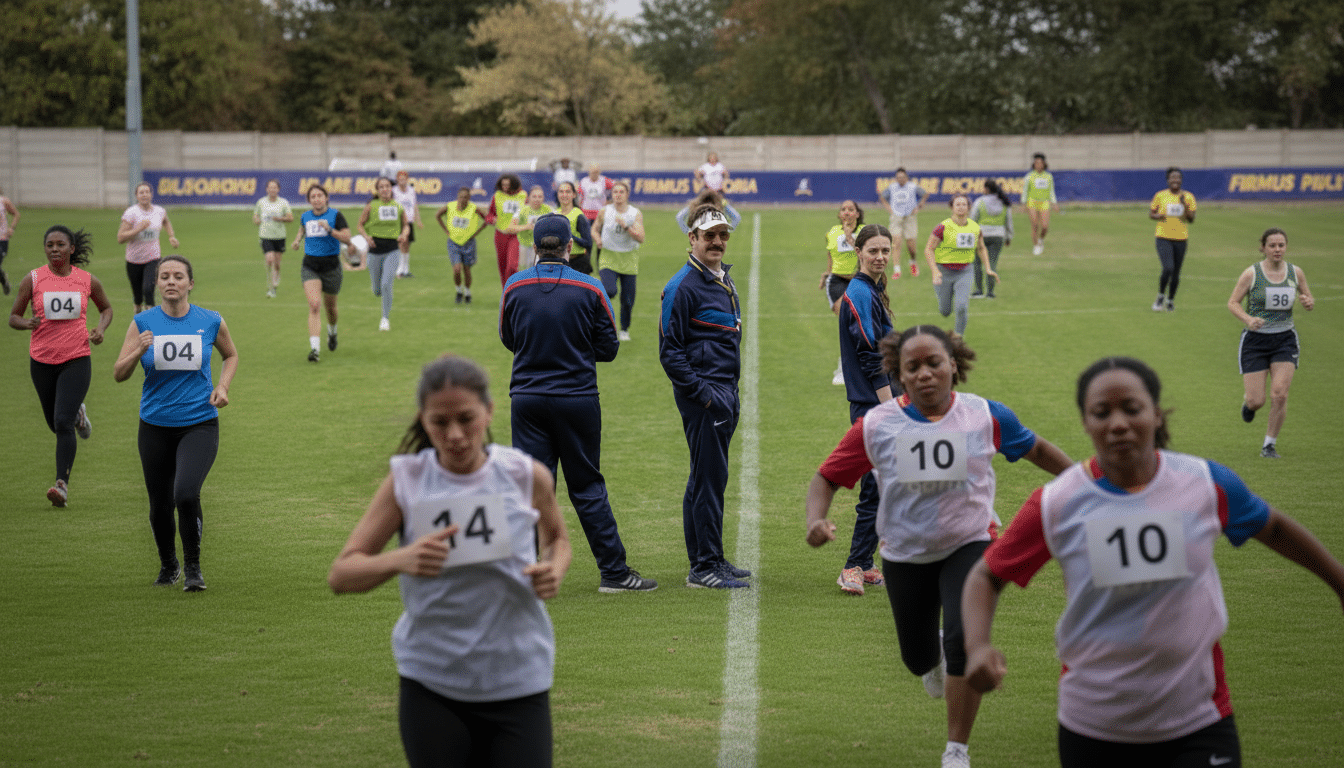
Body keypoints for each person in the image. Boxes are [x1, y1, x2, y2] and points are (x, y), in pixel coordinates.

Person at [962, 356, 1344, 768]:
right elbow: (987, 574)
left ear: (1156, 414)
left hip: (1199, 720)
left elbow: (1276, 529)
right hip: (1093, 725)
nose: (1118, 423)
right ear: (1085, 422)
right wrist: (977, 646)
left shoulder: (1204, 484)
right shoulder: (1057, 503)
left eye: (1132, 408)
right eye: (1101, 412)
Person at [805, 325, 1072, 768]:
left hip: (971, 542)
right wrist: (816, 519)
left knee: (964, 642)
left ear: (954, 365)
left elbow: (1037, 449)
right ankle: (930, 660)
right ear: (899, 375)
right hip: (905, 554)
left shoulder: (984, 415)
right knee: (917, 658)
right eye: (913, 367)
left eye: (934, 363)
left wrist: (1087, 486)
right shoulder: (877, 425)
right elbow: (827, 476)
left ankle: (956, 749)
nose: (926, 374)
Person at [328, 354, 572, 768]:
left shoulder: (525, 475)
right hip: (432, 682)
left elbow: (559, 539)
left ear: (489, 412)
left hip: (519, 677)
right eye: (440, 423)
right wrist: (401, 559)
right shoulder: (407, 479)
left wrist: (554, 568)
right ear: (423, 419)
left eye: (466, 418)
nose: (455, 435)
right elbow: (342, 573)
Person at [500, 214, 657, 594]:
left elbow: (509, 338)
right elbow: (608, 348)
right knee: (587, 485)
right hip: (576, 398)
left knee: (533, 488)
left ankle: (524, 572)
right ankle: (614, 573)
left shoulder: (515, 285)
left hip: (527, 397)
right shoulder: (590, 287)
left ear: (534, 248)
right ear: (571, 246)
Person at [112, 255, 238, 592]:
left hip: (199, 423)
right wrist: (137, 350)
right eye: (164, 276)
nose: (171, 281)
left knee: (185, 493)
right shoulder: (142, 322)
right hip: (154, 425)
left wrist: (222, 386)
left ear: (190, 283)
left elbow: (231, 355)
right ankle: (169, 566)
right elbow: (118, 373)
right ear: (156, 283)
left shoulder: (210, 321)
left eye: (178, 276)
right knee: (159, 504)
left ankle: (194, 567)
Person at [660, 205, 750, 589]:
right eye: (709, 235)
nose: (717, 241)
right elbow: (670, 351)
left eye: (723, 235)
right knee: (710, 481)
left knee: (704, 479)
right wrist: (706, 395)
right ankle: (705, 567)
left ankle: (707, 558)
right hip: (707, 399)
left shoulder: (719, 278)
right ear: (692, 238)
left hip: (723, 393)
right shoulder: (682, 286)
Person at [8, 225, 113, 507]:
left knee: (61, 422)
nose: (55, 249)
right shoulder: (32, 279)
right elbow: (13, 317)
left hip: (77, 358)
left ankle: (61, 485)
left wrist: (100, 329)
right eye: (50, 245)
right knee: (54, 423)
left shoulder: (87, 280)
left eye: (60, 245)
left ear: (71, 249)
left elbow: (106, 308)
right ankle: (79, 414)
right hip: (41, 360)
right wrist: (26, 323)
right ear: (45, 248)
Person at [832, 224, 896, 596]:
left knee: (883, 484)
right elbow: (870, 356)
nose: (880, 257)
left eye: (885, 251)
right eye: (873, 250)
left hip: (882, 399)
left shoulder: (874, 288)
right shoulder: (858, 292)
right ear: (858, 252)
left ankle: (867, 562)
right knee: (874, 484)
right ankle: (854, 565)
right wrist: (891, 407)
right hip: (872, 404)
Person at [1226, 227, 1314, 459]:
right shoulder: (1251, 274)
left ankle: (1269, 445)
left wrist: (1308, 301)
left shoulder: (1296, 272)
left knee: (1280, 394)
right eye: (1272, 245)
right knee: (1257, 401)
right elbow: (1233, 302)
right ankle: (1249, 405)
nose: (1277, 249)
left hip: (1285, 339)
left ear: (1286, 247)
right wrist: (1248, 319)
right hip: (1255, 341)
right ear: (1263, 248)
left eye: (1281, 245)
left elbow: (1307, 297)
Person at [291, 184, 353, 362]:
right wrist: (296, 241)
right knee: (314, 305)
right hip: (310, 265)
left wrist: (330, 230)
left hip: (332, 266)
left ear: (326, 198)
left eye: (320, 195)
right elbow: (302, 229)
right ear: (309, 200)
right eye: (313, 197)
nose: (316, 199)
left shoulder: (335, 215)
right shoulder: (305, 216)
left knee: (331, 308)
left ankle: (332, 332)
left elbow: (347, 238)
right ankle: (315, 349)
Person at [924, 194, 997, 337]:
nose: (961, 207)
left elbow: (981, 248)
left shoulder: (975, 228)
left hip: (965, 271)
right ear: (952, 207)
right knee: (945, 311)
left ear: (969, 208)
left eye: (964, 204)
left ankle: (958, 337)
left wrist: (988, 268)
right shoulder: (942, 227)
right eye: (958, 204)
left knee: (962, 306)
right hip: (943, 272)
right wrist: (934, 271)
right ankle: (945, 301)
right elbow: (929, 249)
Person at [819, 200, 865, 386]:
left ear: (857, 214)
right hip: (837, 281)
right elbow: (831, 256)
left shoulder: (865, 232)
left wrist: (850, 238)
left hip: (859, 281)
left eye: (851, 209)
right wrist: (826, 273)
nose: (846, 212)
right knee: (847, 321)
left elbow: (866, 256)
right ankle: (842, 369)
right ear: (839, 214)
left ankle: (861, 364)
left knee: (859, 326)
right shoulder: (831, 233)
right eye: (843, 209)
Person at [592, 181, 644, 342]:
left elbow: (641, 238)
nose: (618, 195)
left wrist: (627, 227)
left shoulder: (634, 214)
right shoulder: (604, 211)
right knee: (610, 290)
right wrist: (598, 239)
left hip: (629, 259)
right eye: (615, 192)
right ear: (611, 195)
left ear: (627, 195)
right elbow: (594, 229)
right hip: (608, 257)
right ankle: (599, 322)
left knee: (627, 301)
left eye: (621, 192)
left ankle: (624, 330)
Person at [117, 181, 179, 313]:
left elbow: (166, 221)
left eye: (147, 192)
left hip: (153, 258)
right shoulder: (131, 213)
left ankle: (151, 316)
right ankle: (138, 311)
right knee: (138, 295)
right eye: (141, 192)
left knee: (148, 289)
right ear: (137, 196)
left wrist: (171, 236)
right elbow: (120, 238)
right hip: (134, 260)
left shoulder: (159, 211)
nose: (144, 195)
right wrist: (137, 229)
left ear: (151, 194)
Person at [358, 177, 409, 331]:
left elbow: (406, 225)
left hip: (392, 249)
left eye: (387, 186)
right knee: (377, 289)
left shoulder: (398, 207)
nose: (385, 189)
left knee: (387, 283)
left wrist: (404, 235)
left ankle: (385, 319)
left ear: (390, 189)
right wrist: (367, 237)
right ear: (377, 190)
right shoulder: (371, 206)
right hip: (374, 251)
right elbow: (360, 225)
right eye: (381, 187)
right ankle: (380, 292)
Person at [1148, 167, 1196, 312]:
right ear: (1168, 180)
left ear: (1181, 180)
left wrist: (1183, 205)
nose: (1175, 180)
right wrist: (1158, 216)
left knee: (1176, 272)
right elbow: (1151, 213)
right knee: (1168, 268)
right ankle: (1160, 296)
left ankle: (1170, 300)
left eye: (1178, 177)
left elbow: (1191, 219)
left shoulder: (1188, 197)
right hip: (1163, 237)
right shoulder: (1160, 195)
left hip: (1181, 238)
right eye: (1172, 177)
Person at [435, 187, 488, 305]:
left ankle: (467, 292)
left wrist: (475, 233)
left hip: (468, 243)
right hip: (454, 242)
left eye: (465, 197)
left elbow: (487, 219)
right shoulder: (450, 206)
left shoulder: (473, 208)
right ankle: (459, 291)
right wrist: (446, 231)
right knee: (457, 269)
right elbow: (437, 215)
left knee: (467, 269)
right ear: (457, 197)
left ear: (469, 198)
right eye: (460, 197)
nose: (463, 199)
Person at [879, 167, 927, 278]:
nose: (900, 179)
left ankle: (913, 262)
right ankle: (897, 270)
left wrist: (919, 205)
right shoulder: (892, 188)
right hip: (896, 217)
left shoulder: (912, 187)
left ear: (906, 177)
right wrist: (889, 208)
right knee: (896, 242)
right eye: (898, 177)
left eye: (902, 177)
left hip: (909, 217)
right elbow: (882, 197)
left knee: (911, 246)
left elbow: (924, 194)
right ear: (896, 178)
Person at [969, 180, 1013, 299]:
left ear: (987, 189)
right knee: (992, 263)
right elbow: (1008, 221)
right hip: (998, 235)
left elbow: (973, 219)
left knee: (977, 263)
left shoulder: (980, 201)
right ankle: (990, 292)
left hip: (981, 234)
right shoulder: (1004, 202)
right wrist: (1009, 237)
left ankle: (979, 290)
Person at [253, 179, 294, 299]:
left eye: (274, 187)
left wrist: (280, 218)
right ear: (267, 189)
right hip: (265, 235)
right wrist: (257, 220)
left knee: (277, 263)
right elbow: (255, 217)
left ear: (278, 189)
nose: (272, 189)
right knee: (269, 259)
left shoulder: (283, 202)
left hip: (279, 236)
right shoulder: (261, 202)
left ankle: (276, 279)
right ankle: (271, 288)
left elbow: (290, 218)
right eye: (270, 187)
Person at [486, 174, 526, 286]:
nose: (505, 187)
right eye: (503, 185)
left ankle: (515, 288)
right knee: (503, 268)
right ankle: (506, 294)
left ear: (513, 184)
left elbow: (528, 211)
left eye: (508, 185)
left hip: (516, 235)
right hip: (500, 235)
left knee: (512, 266)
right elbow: (489, 214)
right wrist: (491, 219)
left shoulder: (523, 196)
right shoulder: (497, 196)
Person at [506, 185, 553, 272]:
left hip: (542, 248)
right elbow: (509, 228)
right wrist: (525, 227)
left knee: (540, 272)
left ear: (543, 198)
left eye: (540, 196)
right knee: (525, 272)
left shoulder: (549, 210)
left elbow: (559, 225)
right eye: (534, 196)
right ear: (528, 198)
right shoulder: (522, 210)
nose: (537, 199)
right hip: (525, 246)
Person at [553, 181, 594, 274]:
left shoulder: (578, 215)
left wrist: (570, 236)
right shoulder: (555, 214)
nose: (564, 195)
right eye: (561, 192)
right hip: (559, 262)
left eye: (568, 192)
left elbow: (588, 243)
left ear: (574, 194)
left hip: (578, 262)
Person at [1021, 153, 1058, 256]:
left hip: (1044, 202)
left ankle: (1041, 239)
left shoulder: (1048, 176)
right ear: (1034, 164)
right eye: (1036, 163)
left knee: (1045, 226)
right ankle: (1036, 245)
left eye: (1040, 163)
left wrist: (1054, 203)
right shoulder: (1030, 176)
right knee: (1035, 225)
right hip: (1032, 202)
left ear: (1044, 164)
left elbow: (1051, 191)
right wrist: (1024, 203)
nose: (1038, 165)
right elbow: (1025, 190)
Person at [579, 165, 613, 265]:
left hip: (600, 215)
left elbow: (614, 188)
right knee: (587, 241)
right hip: (586, 214)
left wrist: (609, 201)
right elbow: (580, 196)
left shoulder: (604, 181)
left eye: (596, 172)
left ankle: (600, 263)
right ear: (589, 172)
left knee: (600, 240)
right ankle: (587, 263)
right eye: (593, 172)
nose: (595, 174)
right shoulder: (583, 181)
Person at [675, 189, 741, 235]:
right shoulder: (721, 203)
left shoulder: (696, 204)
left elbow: (679, 217)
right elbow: (737, 217)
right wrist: (727, 230)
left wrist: (688, 231)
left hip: (700, 237)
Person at [393, 170, 420, 278]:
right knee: (401, 244)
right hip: (398, 221)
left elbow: (414, 205)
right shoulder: (394, 191)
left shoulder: (411, 191)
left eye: (404, 179)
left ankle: (406, 269)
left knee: (407, 244)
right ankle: (399, 270)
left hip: (409, 220)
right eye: (400, 179)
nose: (402, 181)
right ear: (397, 180)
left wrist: (418, 219)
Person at [0, 185, 20, 294]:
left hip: (2, 239)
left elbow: (16, 214)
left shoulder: (4, 201)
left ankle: (3, 279)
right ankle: (3, 279)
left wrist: (11, 228)